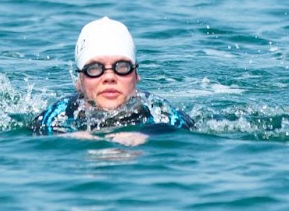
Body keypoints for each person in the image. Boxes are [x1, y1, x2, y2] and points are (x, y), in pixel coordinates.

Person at [32, 16, 191, 138]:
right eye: (94, 69)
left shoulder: (157, 110)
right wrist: (66, 137)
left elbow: (188, 132)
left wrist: (148, 135)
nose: (109, 77)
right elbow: (36, 132)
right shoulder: (60, 112)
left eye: (122, 67)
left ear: (136, 76)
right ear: (79, 82)